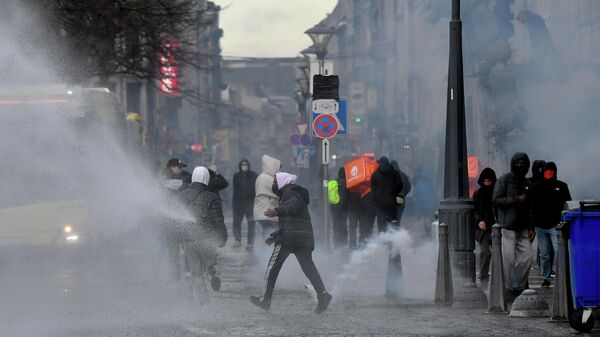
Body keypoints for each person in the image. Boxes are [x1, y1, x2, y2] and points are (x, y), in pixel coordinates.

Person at [250, 172, 332, 314]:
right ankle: (322, 294)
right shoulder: (296, 193)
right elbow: (291, 221)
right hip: (303, 237)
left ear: (283, 182)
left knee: (272, 268)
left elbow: (292, 207)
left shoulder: (290, 193)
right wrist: (275, 236)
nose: (274, 185)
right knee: (308, 267)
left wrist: (277, 210)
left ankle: (265, 300)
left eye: (276, 182)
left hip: (289, 239)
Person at [181, 166, 228, 303]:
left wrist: (179, 237)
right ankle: (212, 271)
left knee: (196, 272)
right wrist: (222, 237)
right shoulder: (212, 197)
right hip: (206, 237)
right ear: (206, 179)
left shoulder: (182, 195)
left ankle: (203, 302)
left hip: (188, 238)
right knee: (210, 261)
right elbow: (218, 220)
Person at [493, 153, 534, 302]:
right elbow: (496, 200)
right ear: (512, 163)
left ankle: (519, 287)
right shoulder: (504, 180)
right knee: (508, 259)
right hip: (507, 226)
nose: (520, 165)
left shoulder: (527, 183)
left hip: (523, 227)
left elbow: (530, 206)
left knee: (527, 258)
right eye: (517, 162)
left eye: (523, 163)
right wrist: (516, 199)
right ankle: (508, 288)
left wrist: (531, 227)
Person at [531, 162, 571, 288]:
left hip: (556, 225)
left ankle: (562, 276)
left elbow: (568, 205)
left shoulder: (562, 186)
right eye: (546, 171)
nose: (549, 173)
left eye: (551, 171)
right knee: (544, 254)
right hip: (541, 226)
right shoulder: (536, 186)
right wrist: (532, 224)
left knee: (559, 252)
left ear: (555, 172)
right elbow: (531, 206)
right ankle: (546, 278)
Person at [473, 167, 497, 288]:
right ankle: (483, 279)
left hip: (496, 227)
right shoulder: (478, 194)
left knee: (499, 254)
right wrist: (479, 221)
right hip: (483, 229)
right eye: (485, 181)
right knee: (485, 253)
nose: (487, 183)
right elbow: (475, 210)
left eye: (489, 181)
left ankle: (498, 277)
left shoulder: (497, 193)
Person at [371, 157, 403, 232]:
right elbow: (400, 185)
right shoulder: (394, 173)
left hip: (380, 204)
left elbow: (372, 188)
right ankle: (391, 240)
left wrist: (376, 196)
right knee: (392, 223)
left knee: (381, 223)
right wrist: (394, 193)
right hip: (392, 203)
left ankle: (382, 240)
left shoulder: (375, 174)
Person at [232, 159, 258, 250]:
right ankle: (237, 240)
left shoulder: (254, 176)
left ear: (248, 165)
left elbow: (256, 189)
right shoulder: (236, 176)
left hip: (250, 203)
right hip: (238, 204)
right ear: (240, 166)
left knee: (251, 223)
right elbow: (235, 191)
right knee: (236, 222)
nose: (244, 166)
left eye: (245, 164)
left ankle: (250, 242)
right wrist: (234, 204)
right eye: (242, 164)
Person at [254, 155, 281, 239]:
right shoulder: (267, 178)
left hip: (262, 210)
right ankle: (266, 250)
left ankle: (265, 250)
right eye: (278, 167)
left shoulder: (262, 177)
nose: (279, 170)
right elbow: (277, 191)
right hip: (267, 211)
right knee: (270, 231)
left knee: (268, 230)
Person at [329, 167, 349, 249]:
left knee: (336, 226)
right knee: (344, 226)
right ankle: (343, 243)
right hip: (344, 209)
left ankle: (336, 243)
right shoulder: (347, 184)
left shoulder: (334, 183)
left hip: (334, 209)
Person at [391, 160, 411, 225]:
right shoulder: (403, 175)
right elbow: (408, 187)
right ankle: (396, 229)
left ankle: (390, 232)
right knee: (398, 217)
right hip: (400, 198)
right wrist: (403, 194)